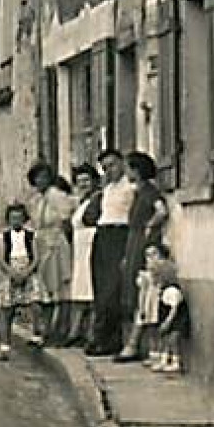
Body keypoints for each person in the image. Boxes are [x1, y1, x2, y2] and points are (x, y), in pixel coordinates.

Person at [115, 151, 169, 362]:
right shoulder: (139, 192)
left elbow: (161, 210)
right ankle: (134, 343)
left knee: (144, 294)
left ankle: (134, 345)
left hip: (143, 244)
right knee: (134, 291)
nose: (126, 172)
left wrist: (148, 227)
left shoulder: (148, 191)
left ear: (136, 170)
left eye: (128, 168)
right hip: (134, 241)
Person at [82, 147, 132, 355]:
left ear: (122, 163)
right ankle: (100, 337)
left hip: (120, 235)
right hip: (103, 236)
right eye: (105, 168)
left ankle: (112, 339)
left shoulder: (130, 187)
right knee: (100, 289)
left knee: (114, 290)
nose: (109, 171)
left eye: (112, 165)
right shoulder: (106, 190)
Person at [26, 160, 78, 345]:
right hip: (41, 244)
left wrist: (61, 241)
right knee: (44, 290)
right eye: (37, 178)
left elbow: (66, 219)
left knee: (60, 289)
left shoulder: (56, 195)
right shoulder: (37, 200)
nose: (40, 181)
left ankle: (61, 330)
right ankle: (45, 330)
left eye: (44, 177)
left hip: (56, 243)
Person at [0, 202, 48, 361]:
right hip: (10, 270)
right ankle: (5, 345)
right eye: (12, 218)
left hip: (28, 269)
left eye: (19, 218)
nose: (16, 221)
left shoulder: (31, 235)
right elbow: (1, 258)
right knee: (7, 310)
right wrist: (12, 272)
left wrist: (27, 272)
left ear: (24, 219)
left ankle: (36, 334)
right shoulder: (4, 236)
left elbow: (36, 257)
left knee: (35, 304)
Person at [65, 164, 101, 346]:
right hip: (80, 247)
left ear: (95, 181)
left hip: (92, 243)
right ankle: (77, 331)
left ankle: (91, 334)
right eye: (79, 181)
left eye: (87, 180)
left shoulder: (98, 198)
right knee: (80, 289)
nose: (83, 184)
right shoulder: (81, 201)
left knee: (91, 288)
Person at [151, 246, 190, 373]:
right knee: (166, 339)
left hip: (175, 320)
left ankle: (175, 360)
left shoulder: (172, 291)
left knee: (173, 339)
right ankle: (164, 359)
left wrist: (168, 321)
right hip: (167, 318)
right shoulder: (163, 291)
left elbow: (174, 309)